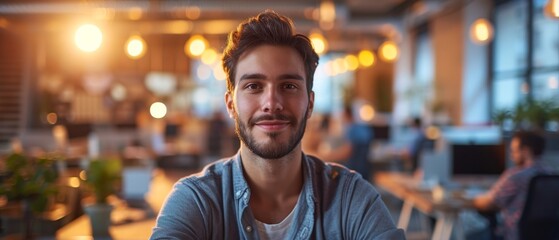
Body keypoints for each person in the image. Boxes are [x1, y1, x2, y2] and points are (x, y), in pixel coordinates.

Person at [150, 10, 404, 239]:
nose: (271, 102)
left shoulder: (350, 199)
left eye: (289, 86)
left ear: (310, 103)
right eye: (253, 86)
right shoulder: (197, 200)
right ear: (230, 104)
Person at [473, 130, 555, 240]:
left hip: (514, 235)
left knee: (472, 233)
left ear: (525, 151)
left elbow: (489, 203)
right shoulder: (551, 175)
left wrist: (471, 199)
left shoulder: (515, 176)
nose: (512, 156)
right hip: (549, 235)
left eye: (514, 151)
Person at [310, 106, 374, 183]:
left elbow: (346, 152)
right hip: (365, 170)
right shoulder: (364, 128)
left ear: (346, 115)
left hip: (354, 171)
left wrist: (324, 157)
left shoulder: (351, 129)